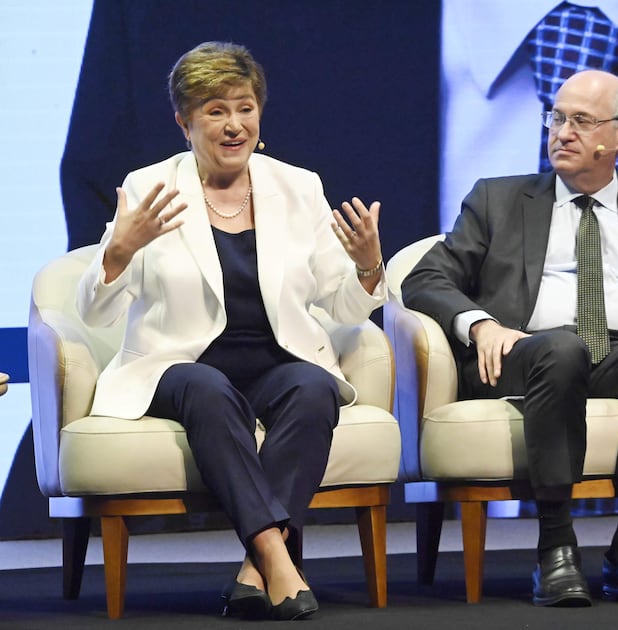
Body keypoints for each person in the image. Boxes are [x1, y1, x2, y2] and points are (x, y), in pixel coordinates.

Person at [76, 41, 386, 621]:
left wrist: (369, 266)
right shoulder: (148, 188)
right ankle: (276, 553)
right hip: (178, 367)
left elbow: (343, 307)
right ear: (184, 121)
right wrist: (116, 254)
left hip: (275, 362)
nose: (234, 124)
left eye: (244, 107)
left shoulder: (298, 187)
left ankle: (254, 571)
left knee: (314, 387)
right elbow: (94, 313)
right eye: (215, 110)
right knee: (208, 389)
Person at [402, 69, 618, 607]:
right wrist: (480, 324)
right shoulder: (497, 200)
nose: (562, 132)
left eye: (581, 120)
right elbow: (426, 279)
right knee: (561, 346)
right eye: (556, 117)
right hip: (526, 352)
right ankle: (555, 547)